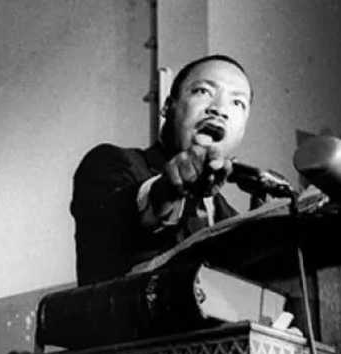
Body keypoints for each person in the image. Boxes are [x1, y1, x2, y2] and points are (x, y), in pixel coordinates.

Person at [71, 54, 255, 285]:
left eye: (237, 103)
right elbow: (110, 223)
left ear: (242, 131)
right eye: (203, 91)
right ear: (168, 106)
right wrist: (166, 191)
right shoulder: (110, 162)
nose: (219, 109)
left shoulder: (233, 220)